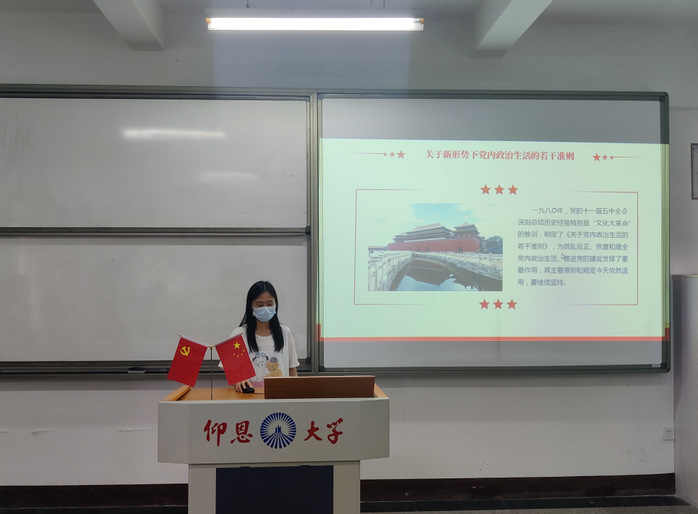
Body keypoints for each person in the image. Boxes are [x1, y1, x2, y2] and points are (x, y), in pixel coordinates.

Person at [225, 280, 298, 392]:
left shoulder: (285, 332)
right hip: (249, 397)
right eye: (260, 305)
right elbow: (231, 371)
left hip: (280, 395)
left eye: (270, 304)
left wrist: (296, 394)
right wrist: (238, 381)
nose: (265, 309)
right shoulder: (239, 334)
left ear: (275, 305)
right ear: (251, 306)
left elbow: (292, 370)